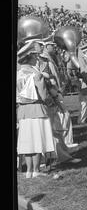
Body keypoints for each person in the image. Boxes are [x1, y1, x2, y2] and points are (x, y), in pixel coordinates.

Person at [16, 40, 55, 178]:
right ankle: (36, 170)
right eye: (34, 56)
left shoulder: (18, 73)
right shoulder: (36, 74)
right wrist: (51, 101)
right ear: (31, 57)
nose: (36, 58)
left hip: (23, 111)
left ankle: (29, 171)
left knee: (27, 141)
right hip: (37, 108)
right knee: (37, 140)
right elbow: (44, 95)